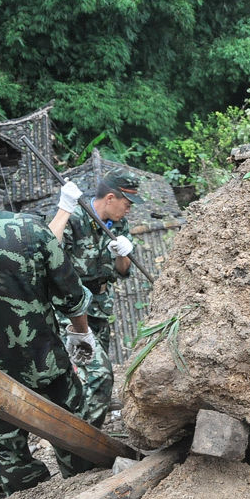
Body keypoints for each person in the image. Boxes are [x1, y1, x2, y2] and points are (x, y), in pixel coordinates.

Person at [0, 150, 98, 494]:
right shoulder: (30, 229)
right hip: (48, 369)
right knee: (78, 446)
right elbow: (72, 298)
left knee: (13, 463)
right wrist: (82, 335)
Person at [48, 168, 144, 427]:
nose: (129, 210)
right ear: (110, 198)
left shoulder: (119, 224)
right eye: (127, 203)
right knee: (99, 375)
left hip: (100, 307)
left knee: (91, 376)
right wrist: (63, 208)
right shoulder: (75, 216)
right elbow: (48, 251)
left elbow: (123, 272)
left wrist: (123, 253)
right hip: (73, 310)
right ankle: (83, 439)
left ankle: (88, 429)